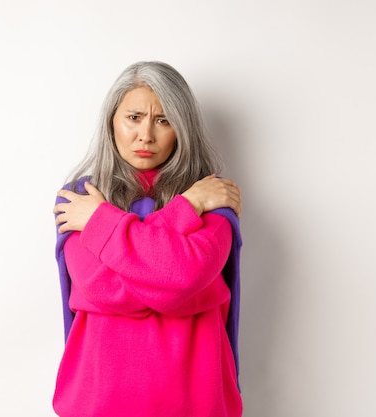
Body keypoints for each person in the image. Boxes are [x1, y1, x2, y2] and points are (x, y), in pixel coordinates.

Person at [52, 61, 243, 417]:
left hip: (194, 403)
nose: (146, 136)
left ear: (182, 129)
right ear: (112, 121)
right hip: (99, 403)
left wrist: (100, 222)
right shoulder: (80, 198)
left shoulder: (212, 195)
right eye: (134, 117)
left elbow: (186, 277)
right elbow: (101, 287)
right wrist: (188, 210)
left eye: (163, 120)